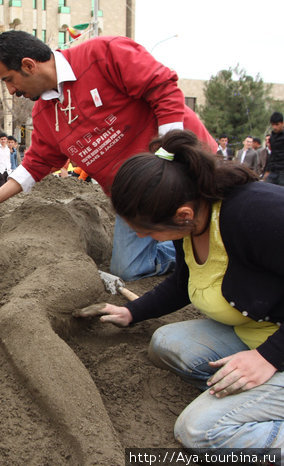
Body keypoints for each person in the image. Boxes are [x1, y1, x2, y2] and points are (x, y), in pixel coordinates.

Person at [77, 129, 284, 453]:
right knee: (167, 344)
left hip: (274, 344)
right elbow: (184, 283)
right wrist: (132, 311)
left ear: (182, 215)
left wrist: (268, 358)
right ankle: (253, 401)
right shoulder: (192, 217)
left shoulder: (257, 214)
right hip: (256, 330)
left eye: (146, 231)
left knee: (197, 431)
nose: (144, 238)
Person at [0, 30, 216, 282]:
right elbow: (34, 166)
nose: (12, 90)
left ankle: (202, 251)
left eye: (10, 79)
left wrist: (170, 156)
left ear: (29, 65)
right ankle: (182, 254)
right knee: (128, 270)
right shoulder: (44, 115)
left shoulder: (103, 54)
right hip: (134, 197)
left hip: (185, 167)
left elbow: (162, 87)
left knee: (219, 235)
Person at [264, 111, 284, 186]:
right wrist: (267, 170)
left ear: (282, 123)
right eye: (273, 125)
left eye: (277, 124)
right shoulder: (272, 137)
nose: (275, 127)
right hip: (273, 171)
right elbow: (272, 155)